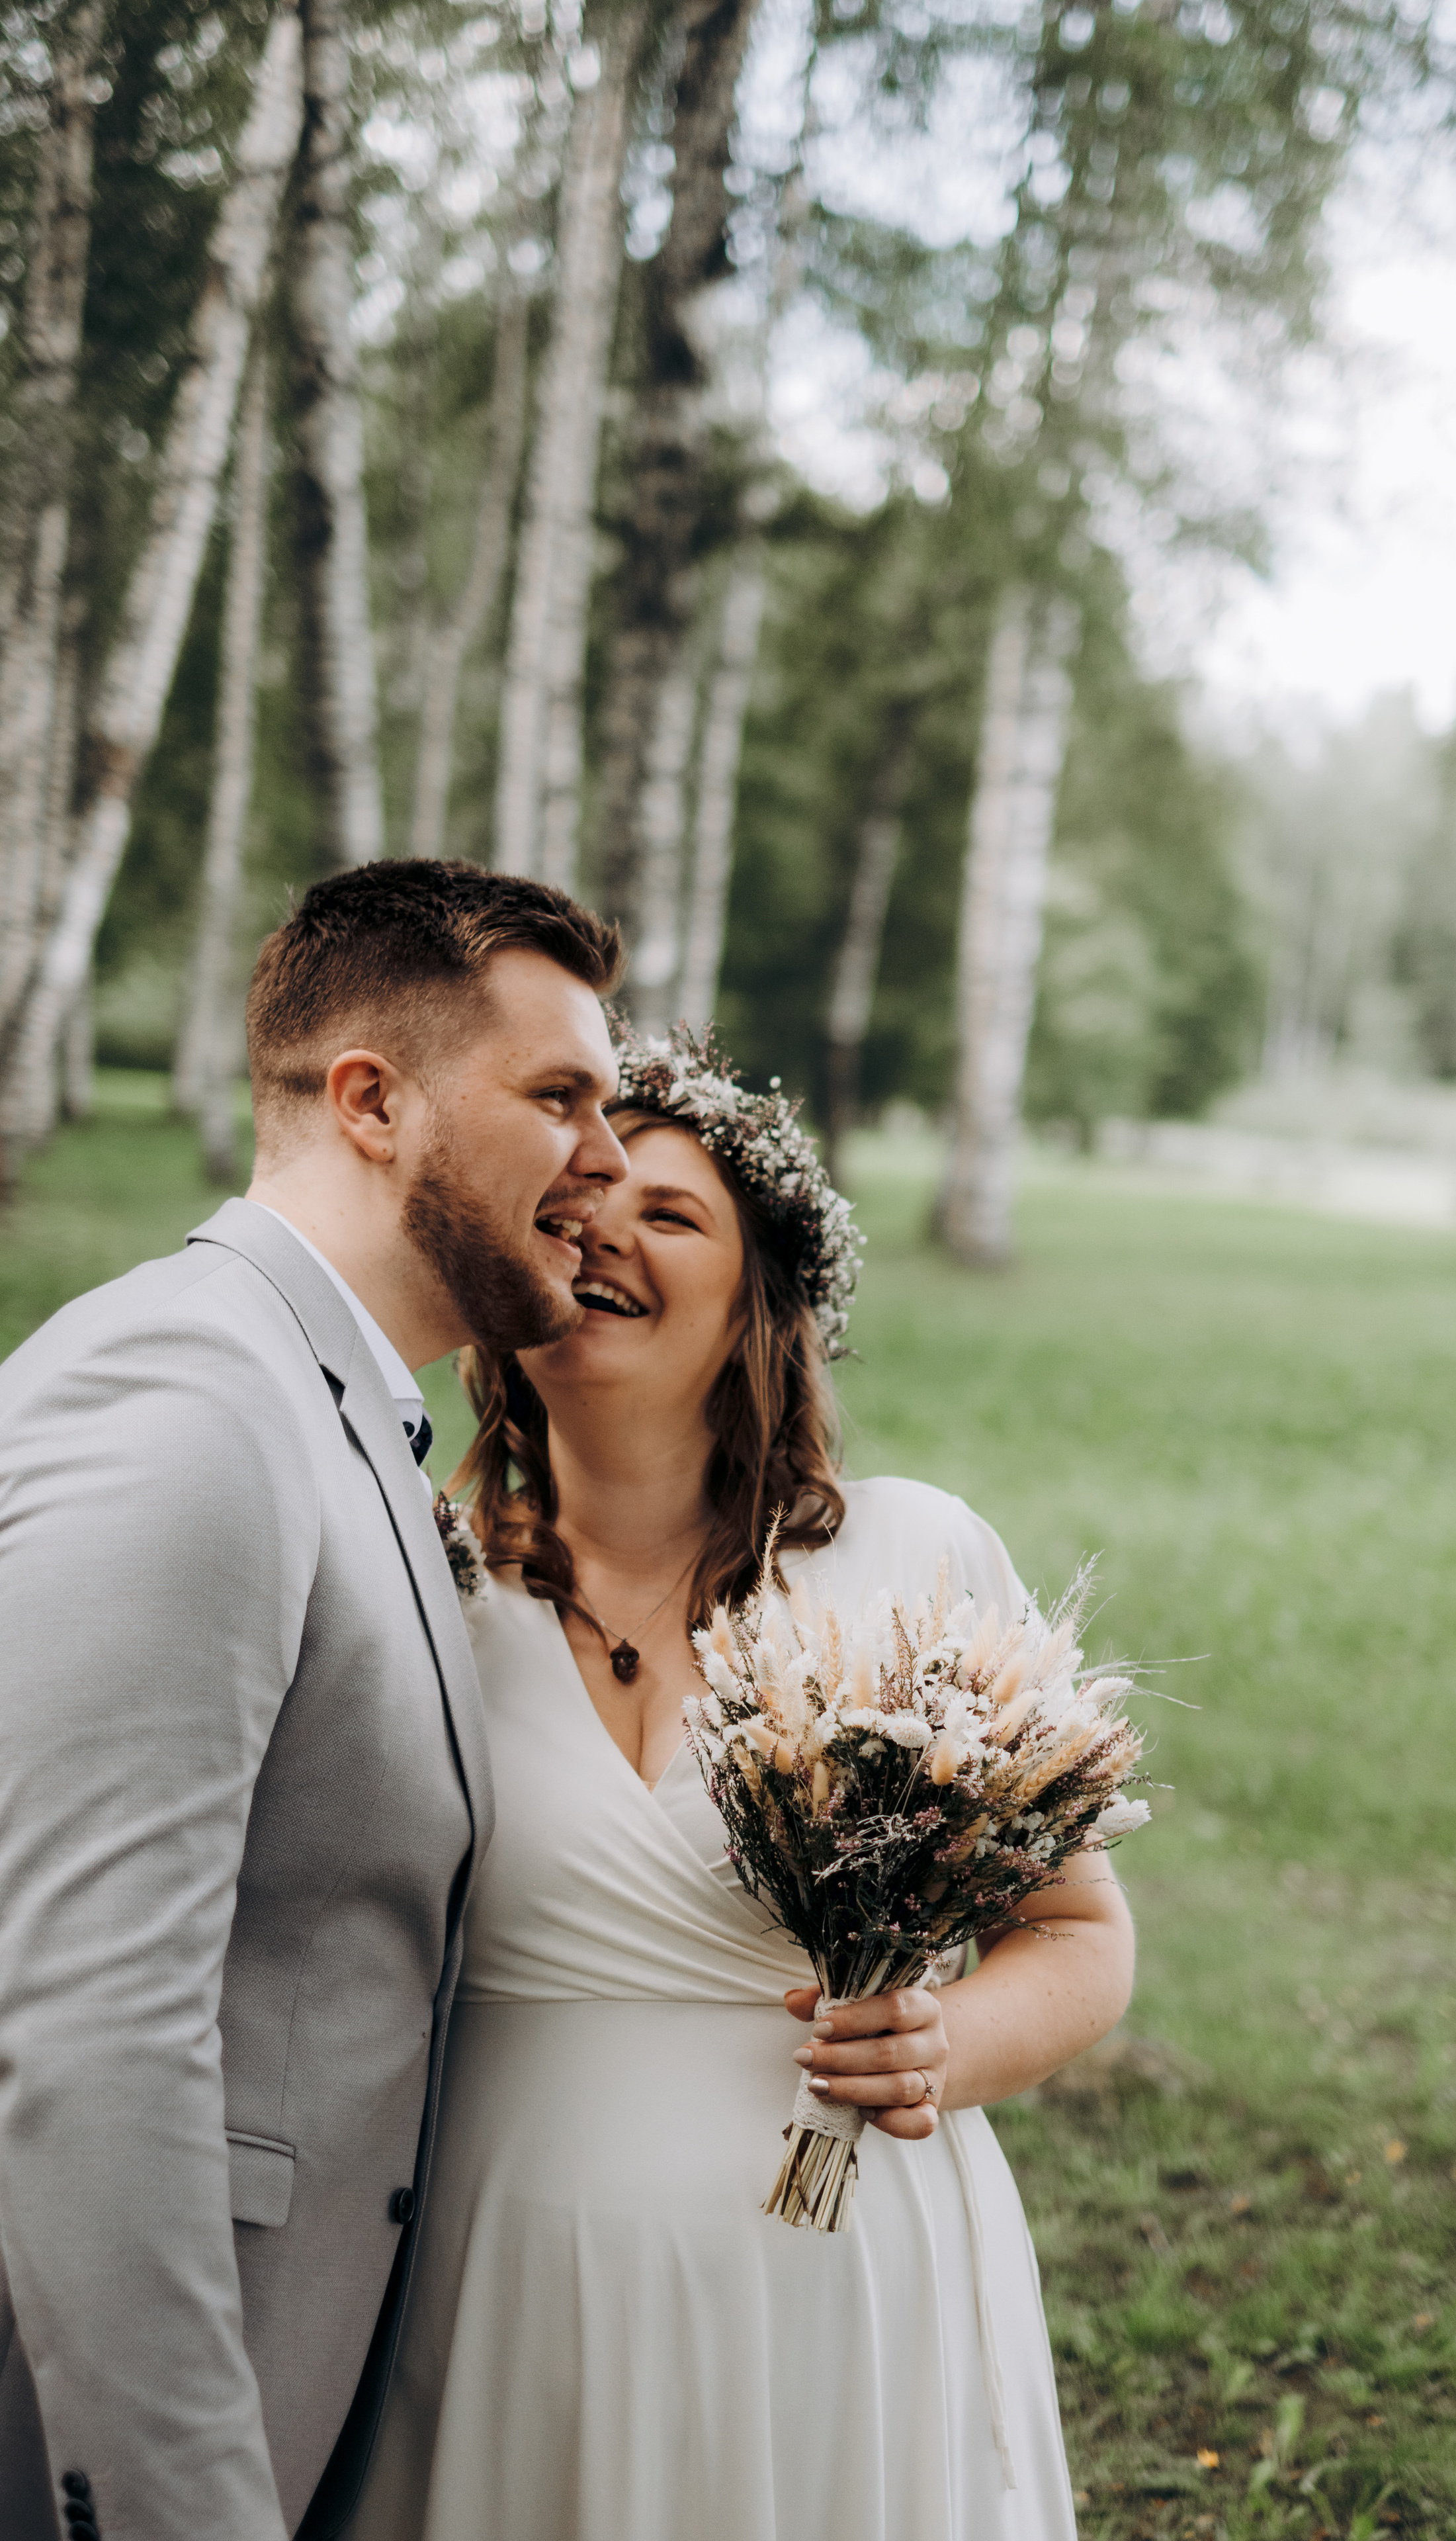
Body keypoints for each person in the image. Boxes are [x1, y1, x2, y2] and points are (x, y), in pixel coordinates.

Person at [351, 1027, 1136, 2541]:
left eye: (669, 1212)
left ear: (758, 1302)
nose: (603, 1238)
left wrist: (940, 2046)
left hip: (838, 2282)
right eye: (568, 1206)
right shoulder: (418, 1585)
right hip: (495, 2283)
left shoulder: (910, 1563)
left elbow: (1080, 1936)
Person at [0, 862, 628, 2541]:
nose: (611, 1165)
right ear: (370, 1099)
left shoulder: (330, 1401)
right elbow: (84, 2032)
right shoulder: (190, 1398)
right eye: (560, 1098)